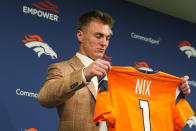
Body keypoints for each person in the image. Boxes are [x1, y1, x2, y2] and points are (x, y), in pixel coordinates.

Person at [38, 10, 191, 131]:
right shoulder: (61, 68)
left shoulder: (115, 77)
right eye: (98, 36)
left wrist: (176, 90)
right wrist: (85, 74)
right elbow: (45, 98)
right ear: (80, 35)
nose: (103, 43)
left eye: (107, 38)